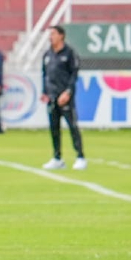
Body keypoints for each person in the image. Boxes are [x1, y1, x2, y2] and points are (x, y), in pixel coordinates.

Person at [41, 25, 86, 170]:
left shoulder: (69, 53)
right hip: (52, 97)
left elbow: (74, 75)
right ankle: (57, 158)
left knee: (73, 127)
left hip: (65, 97)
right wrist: (44, 92)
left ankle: (80, 156)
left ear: (61, 35)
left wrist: (67, 92)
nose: (50, 36)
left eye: (53, 33)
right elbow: (45, 75)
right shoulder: (47, 54)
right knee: (54, 129)